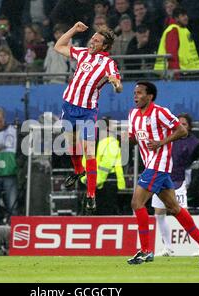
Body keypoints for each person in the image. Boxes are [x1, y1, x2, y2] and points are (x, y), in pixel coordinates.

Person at [127, 81, 199, 266]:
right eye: (134, 92)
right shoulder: (133, 114)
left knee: (137, 202)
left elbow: (182, 130)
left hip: (159, 164)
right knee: (174, 208)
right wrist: (126, 139)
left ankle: (145, 251)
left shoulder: (160, 112)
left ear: (149, 96)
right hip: (152, 165)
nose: (135, 96)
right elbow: (134, 139)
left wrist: (161, 142)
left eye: (139, 93)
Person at [54, 21, 123, 214]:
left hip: (87, 111)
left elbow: (119, 87)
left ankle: (91, 194)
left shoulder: (108, 63)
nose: (92, 42)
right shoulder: (83, 53)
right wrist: (73, 29)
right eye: (92, 38)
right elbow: (58, 46)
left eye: (97, 41)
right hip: (69, 105)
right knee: (72, 146)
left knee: (89, 150)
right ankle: (78, 171)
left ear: (105, 47)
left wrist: (115, 84)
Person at [152, 113, 199, 257]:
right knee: (159, 214)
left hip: (178, 182)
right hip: (161, 180)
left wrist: (190, 166)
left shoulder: (194, 142)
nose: (180, 126)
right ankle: (168, 248)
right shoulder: (168, 138)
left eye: (184, 124)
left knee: (182, 214)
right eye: (178, 124)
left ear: (189, 127)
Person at [80, 118, 126, 215]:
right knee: (107, 213)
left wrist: (86, 179)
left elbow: (84, 163)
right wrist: (97, 182)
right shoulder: (111, 142)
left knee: (94, 212)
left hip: (94, 182)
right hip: (107, 182)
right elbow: (105, 166)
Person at [154, 7, 199, 79]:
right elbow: (171, 54)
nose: (186, 17)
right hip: (179, 73)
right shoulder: (173, 30)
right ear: (176, 18)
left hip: (187, 72)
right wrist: (176, 74)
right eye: (183, 15)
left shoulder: (184, 30)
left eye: (186, 15)